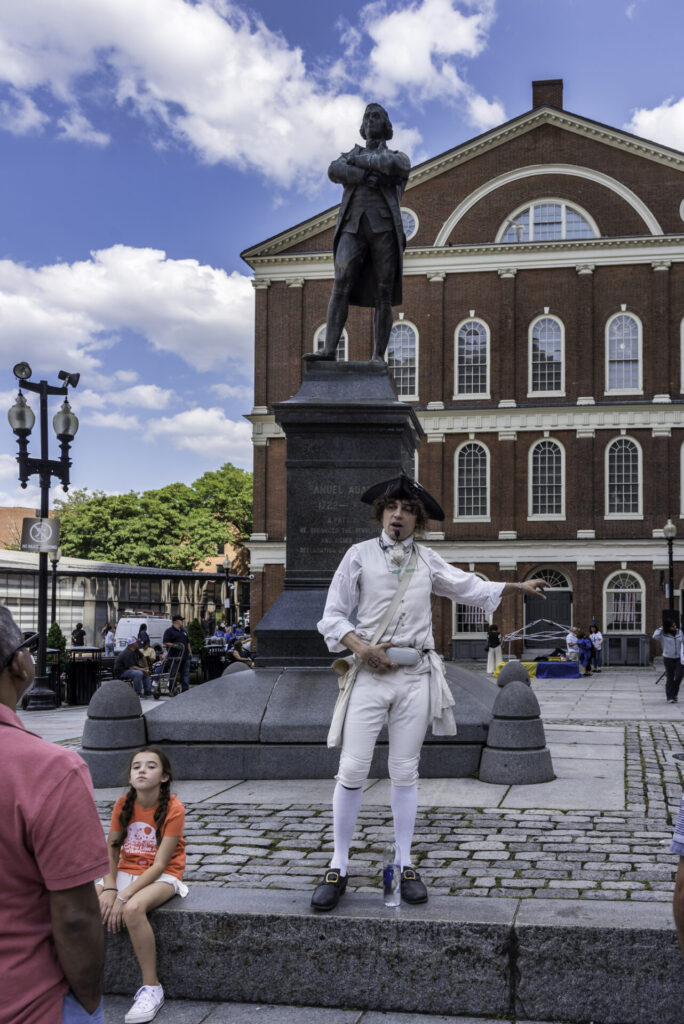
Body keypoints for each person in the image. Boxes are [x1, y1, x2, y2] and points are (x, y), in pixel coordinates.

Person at [310, 473, 549, 911]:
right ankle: (338, 864)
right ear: (381, 514)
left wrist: (515, 586)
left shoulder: (427, 560)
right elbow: (332, 616)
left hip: (415, 676)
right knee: (353, 769)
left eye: (407, 511)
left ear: (417, 521)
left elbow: (467, 586)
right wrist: (362, 649)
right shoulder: (358, 556)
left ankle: (403, 863)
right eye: (391, 508)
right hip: (369, 676)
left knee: (405, 771)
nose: (398, 515)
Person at [0, 604, 110, 1023]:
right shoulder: (50, 771)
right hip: (33, 1002)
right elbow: (77, 917)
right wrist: (89, 1002)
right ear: (18, 666)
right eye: (27, 649)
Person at [307, 103, 410, 363]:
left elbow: (393, 166)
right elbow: (334, 170)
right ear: (362, 127)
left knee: (383, 292)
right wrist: (367, 177)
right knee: (340, 282)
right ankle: (329, 350)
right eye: (367, 117)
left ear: (386, 126)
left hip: (384, 227)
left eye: (377, 116)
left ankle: (378, 356)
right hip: (352, 226)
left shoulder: (398, 155)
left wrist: (359, 163)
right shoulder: (347, 156)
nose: (371, 120)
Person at [96, 745, 187, 1024]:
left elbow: (160, 864)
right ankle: (79, 977)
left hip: (163, 875)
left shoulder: (174, 807)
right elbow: (111, 850)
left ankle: (152, 988)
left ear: (164, 776)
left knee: (133, 909)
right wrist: (110, 889)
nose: (142, 770)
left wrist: (123, 896)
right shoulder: (123, 803)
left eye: (150, 766)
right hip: (125, 871)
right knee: (83, 900)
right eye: (136, 766)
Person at [653, 620, 683, 703]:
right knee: (670, 677)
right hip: (668, 658)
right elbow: (654, 636)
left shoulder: (679, 632)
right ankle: (670, 697)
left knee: (679, 676)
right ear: (667, 627)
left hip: (679, 658)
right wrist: (662, 627)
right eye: (672, 626)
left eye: (675, 625)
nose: (675, 627)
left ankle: (675, 694)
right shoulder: (663, 634)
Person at [162, 617, 192, 693]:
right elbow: (165, 642)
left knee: (185, 674)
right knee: (173, 673)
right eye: (181, 620)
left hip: (185, 656)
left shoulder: (183, 631)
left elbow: (187, 642)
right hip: (174, 657)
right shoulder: (169, 631)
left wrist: (190, 652)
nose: (182, 622)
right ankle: (172, 689)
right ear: (176, 621)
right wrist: (175, 645)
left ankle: (185, 690)